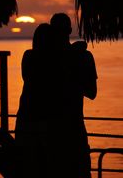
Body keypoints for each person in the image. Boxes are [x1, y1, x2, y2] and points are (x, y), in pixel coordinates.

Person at [49, 12, 98, 178]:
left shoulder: (46, 59)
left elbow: (91, 92)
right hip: (70, 129)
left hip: (55, 131)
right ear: (69, 30)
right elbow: (92, 92)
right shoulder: (83, 56)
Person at [14, 23, 55, 177]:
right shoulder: (51, 60)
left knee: (28, 164)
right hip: (41, 118)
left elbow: (27, 77)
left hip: (26, 115)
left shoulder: (28, 55)